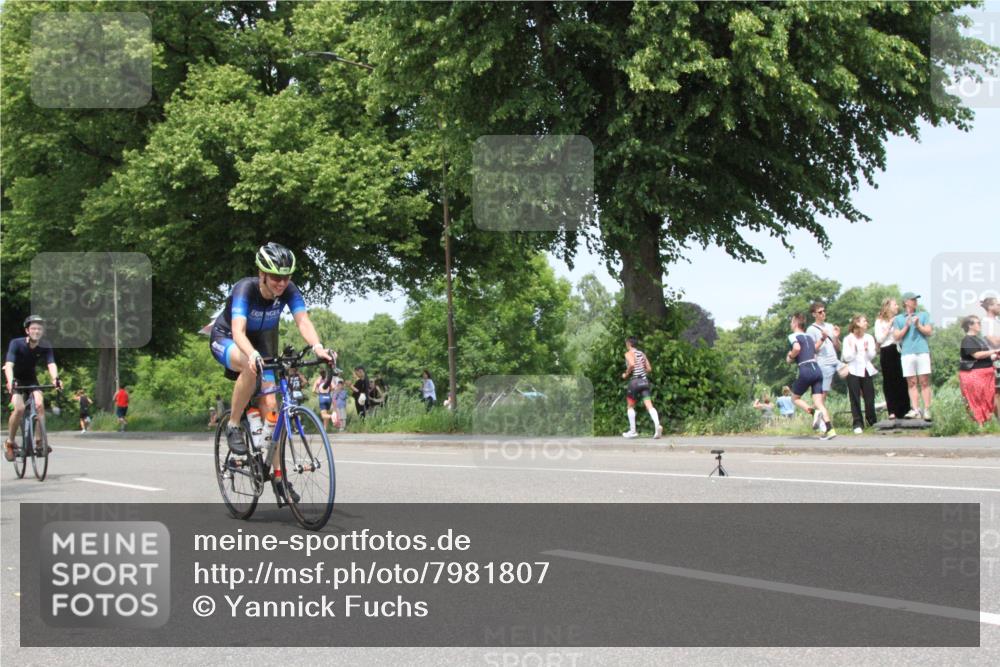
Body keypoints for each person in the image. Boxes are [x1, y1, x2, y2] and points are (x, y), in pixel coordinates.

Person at [208, 243, 335, 504]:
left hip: (262, 341)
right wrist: (252, 354)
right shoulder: (245, 289)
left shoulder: (289, 290)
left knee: (271, 407)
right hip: (229, 338)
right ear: (262, 273)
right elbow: (239, 331)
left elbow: (303, 321)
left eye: (286, 277)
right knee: (248, 364)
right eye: (276, 277)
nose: (281, 282)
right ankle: (233, 424)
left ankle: (278, 477)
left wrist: (318, 347)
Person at [4, 315, 62, 460]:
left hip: (31, 380)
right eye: (33, 328)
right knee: (19, 409)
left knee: (39, 404)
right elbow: (9, 365)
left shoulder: (45, 345)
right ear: (27, 331)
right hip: (16, 380)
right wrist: (10, 381)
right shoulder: (16, 343)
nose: (36, 331)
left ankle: (39, 442)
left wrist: (55, 379)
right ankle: (10, 442)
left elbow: (51, 364)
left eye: (39, 329)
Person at [787, 313, 836, 440]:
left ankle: (814, 413)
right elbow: (814, 349)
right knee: (819, 402)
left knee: (795, 398)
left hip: (805, 369)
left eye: (792, 321)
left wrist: (790, 356)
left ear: (795, 323)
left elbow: (797, 348)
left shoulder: (793, 336)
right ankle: (830, 429)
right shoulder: (808, 336)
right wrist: (823, 339)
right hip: (817, 370)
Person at [893, 292, 934, 420]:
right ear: (906, 302)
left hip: (922, 351)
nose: (915, 301)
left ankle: (927, 410)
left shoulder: (923, 315)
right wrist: (906, 325)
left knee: (924, 381)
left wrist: (918, 325)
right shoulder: (898, 319)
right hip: (907, 353)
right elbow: (896, 336)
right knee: (911, 382)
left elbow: (929, 332)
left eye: (916, 299)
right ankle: (915, 409)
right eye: (913, 299)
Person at [873, 297, 910, 419]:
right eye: (895, 304)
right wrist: (889, 326)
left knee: (902, 380)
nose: (897, 307)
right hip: (887, 350)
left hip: (898, 349)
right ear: (888, 306)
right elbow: (879, 339)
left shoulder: (899, 320)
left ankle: (904, 410)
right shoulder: (879, 322)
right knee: (889, 381)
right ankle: (892, 410)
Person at [842, 314, 879, 434]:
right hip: (853, 370)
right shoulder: (848, 339)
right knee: (855, 398)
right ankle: (857, 423)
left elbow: (872, 356)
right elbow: (846, 357)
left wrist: (867, 350)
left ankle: (872, 420)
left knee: (869, 397)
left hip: (866, 369)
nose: (866, 323)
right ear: (857, 323)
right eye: (864, 321)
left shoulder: (869, 337)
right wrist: (854, 349)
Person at [959, 315, 999, 426]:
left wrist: (994, 356)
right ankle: (979, 426)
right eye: (977, 323)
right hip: (974, 375)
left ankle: (987, 425)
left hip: (986, 375)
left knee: (988, 399)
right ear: (970, 325)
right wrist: (994, 351)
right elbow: (976, 355)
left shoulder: (979, 339)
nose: (980, 325)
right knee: (976, 401)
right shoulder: (967, 340)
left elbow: (985, 356)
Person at [621, 336, 663, 439]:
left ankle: (633, 431)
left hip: (635, 383)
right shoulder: (642, 354)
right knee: (649, 406)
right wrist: (641, 367)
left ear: (629, 344)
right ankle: (657, 426)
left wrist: (626, 374)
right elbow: (649, 368)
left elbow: (631, 364)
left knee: (630, 406)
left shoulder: (628, 353)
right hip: (644, 382)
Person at [808, 301, 842, 412]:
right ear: (814, 314)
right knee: (823, 394)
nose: (823, 313)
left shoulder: (830, 326)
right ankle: (817, 414)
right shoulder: (811, 329)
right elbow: (811, 349)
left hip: (835, 360)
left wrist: (836, 337)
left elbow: (838, 348)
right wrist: (822, 338)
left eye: (824, 311)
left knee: (852, 374)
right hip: (823, 363)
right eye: (820, 312)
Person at [980, 297, 1000, 419]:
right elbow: (992, 339)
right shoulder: (986, 321)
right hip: (994, 361)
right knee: (996, 393)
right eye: (998, 304)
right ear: (990, 307)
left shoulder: (997, 321)